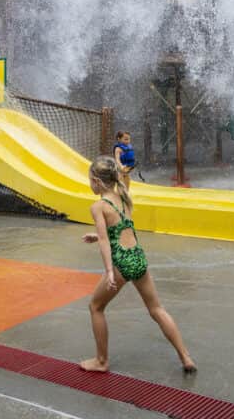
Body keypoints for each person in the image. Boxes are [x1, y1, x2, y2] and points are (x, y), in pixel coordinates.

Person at [79, 156, 195, 373]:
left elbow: (106, 241)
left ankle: (101, 361)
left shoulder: (98, 206)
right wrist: (97, 236)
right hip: (138, 258)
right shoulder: (124, 196)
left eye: (89, 179)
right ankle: (185, 356)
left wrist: (109, 272)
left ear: (96, 181)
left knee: (95, 307)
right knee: (157, 309)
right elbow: (121, 227)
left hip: (121, 263)